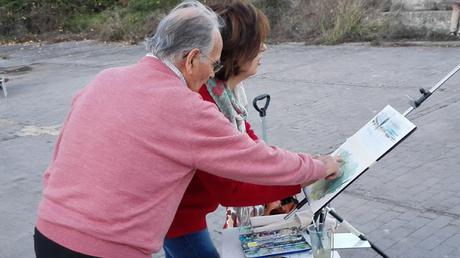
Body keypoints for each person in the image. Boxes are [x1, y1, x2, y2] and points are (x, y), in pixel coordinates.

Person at [34, 1, 341, 258]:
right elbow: (253, 160)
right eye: (214, 63)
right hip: (104, 249)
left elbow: (60, 156)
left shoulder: (105, 78)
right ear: (193, 58)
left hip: (48, 230)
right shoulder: (185, 106)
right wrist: (315, 166)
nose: (213, 73)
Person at [163, 2, 306, 257]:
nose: (264, 48)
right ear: (236, 52)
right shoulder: (205, 100)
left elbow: (251, 149)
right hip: (177, 218)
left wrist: (300, 164)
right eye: (257, 42)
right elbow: (233, 188)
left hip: (184, 213)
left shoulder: (225, 94)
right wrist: (303, 180)